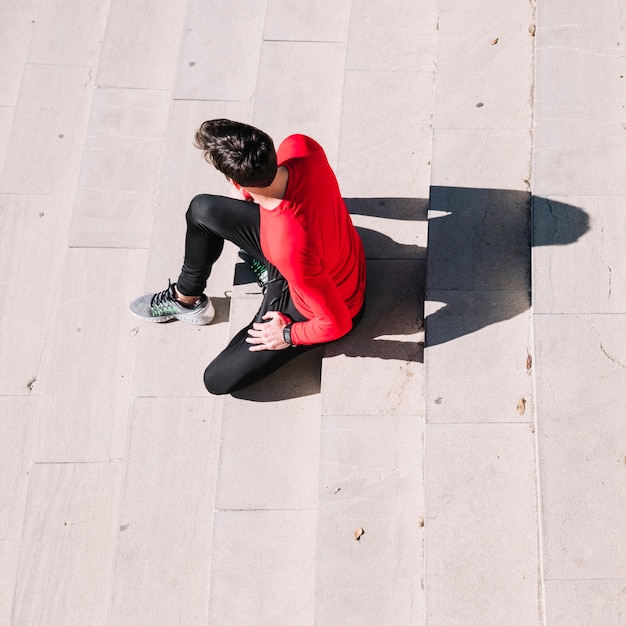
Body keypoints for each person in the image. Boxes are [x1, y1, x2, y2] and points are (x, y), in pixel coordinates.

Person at [130, 119, 366, 395]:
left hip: (319, 299)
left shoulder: (288, 246)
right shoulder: (302, 147)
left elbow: (337, 323)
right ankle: (186, 297)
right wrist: (249, 195)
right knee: (202, 210)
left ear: (234, 181)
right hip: (312, 254)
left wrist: (288, 335)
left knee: (217, 379)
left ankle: (273, 285)